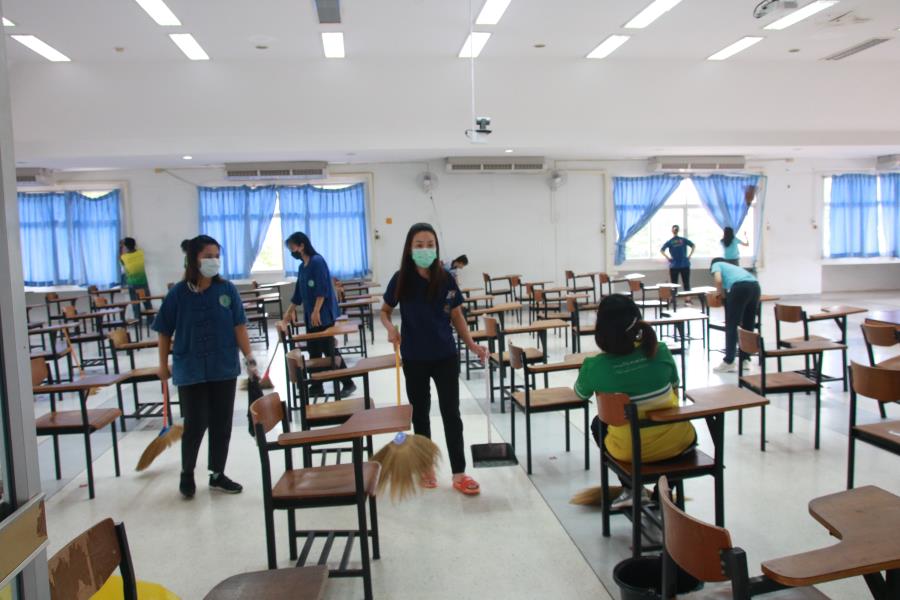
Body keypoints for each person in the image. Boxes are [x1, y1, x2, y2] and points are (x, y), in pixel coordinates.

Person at [380, 223, 488, 496]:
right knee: (421, 414)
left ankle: (459, 473)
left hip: (445, 356)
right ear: (410, 248)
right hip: (414, 357)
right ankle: (425, 467)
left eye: (430, 245)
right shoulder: (401, 279)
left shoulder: (446, 279)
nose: (425, 249)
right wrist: (391, 328)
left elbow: (456, 315)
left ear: (436, 248)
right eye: (419, 245)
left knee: (452, 414)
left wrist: (472, 344)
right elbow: (385, 311)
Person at [153, 235, 257, 498]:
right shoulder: (178, 293)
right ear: (194, 259)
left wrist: (250, 358)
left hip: (223, 366)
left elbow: (239, 326)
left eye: (216, 256)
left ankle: (217, 473)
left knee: (222, 422)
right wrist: (162, 364)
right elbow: (164, 331)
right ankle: (187, 472)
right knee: (195, 423)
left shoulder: (227, 290)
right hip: (190, 368)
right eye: (208, 256)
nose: (214, 261)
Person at [574, 295, 696, 508]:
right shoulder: (660, 351)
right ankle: (663, 496)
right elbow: (675, 390)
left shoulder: (594, 367)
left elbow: (580, 394)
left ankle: (631, 489)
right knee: (673, 419)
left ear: (600, 331)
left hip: (630, 451)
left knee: (597, 424)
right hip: (679, 445)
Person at [280, 232, 356, 399]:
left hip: (323, 314)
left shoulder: (317, 261)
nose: (291, 251)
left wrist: (316, 311)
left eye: (292, 247)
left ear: (302, 245)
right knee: (314, 348)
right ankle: (316, 385)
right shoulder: (302, 267)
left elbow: (322, 288)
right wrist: (288, 313)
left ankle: (348, 383)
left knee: (328, 348)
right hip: (311, 315)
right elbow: (298, 294)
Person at [709, 258, 761, 373]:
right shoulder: (734, 268)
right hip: (755, 287)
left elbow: (718, 280)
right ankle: (745, 360)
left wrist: (718, 293)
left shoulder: (717, 264)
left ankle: (729, 362)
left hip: (740, 288)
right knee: (748, 326)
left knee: (731, 326)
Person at [119, 237, 154, 320]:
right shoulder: (140, 253)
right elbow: (136, 249)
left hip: (132, 284)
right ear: (135, 244)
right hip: (143, 282)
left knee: (135, 305)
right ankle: (151, 321)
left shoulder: (124, 257)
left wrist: (120, 246)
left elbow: (120, 259)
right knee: (147, 303)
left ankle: (137, 321)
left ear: (125, 246)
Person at [660, 225, 695, 291]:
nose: (675, 230)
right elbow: (662, 250)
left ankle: (686, 297)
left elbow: (693, 245)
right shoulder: (670, 241)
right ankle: (675, 296)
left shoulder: (682, 240)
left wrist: (690, 255)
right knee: (675, 285)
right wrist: (668, 258)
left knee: (685, 284)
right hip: (675, 265)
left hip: (683, 265)